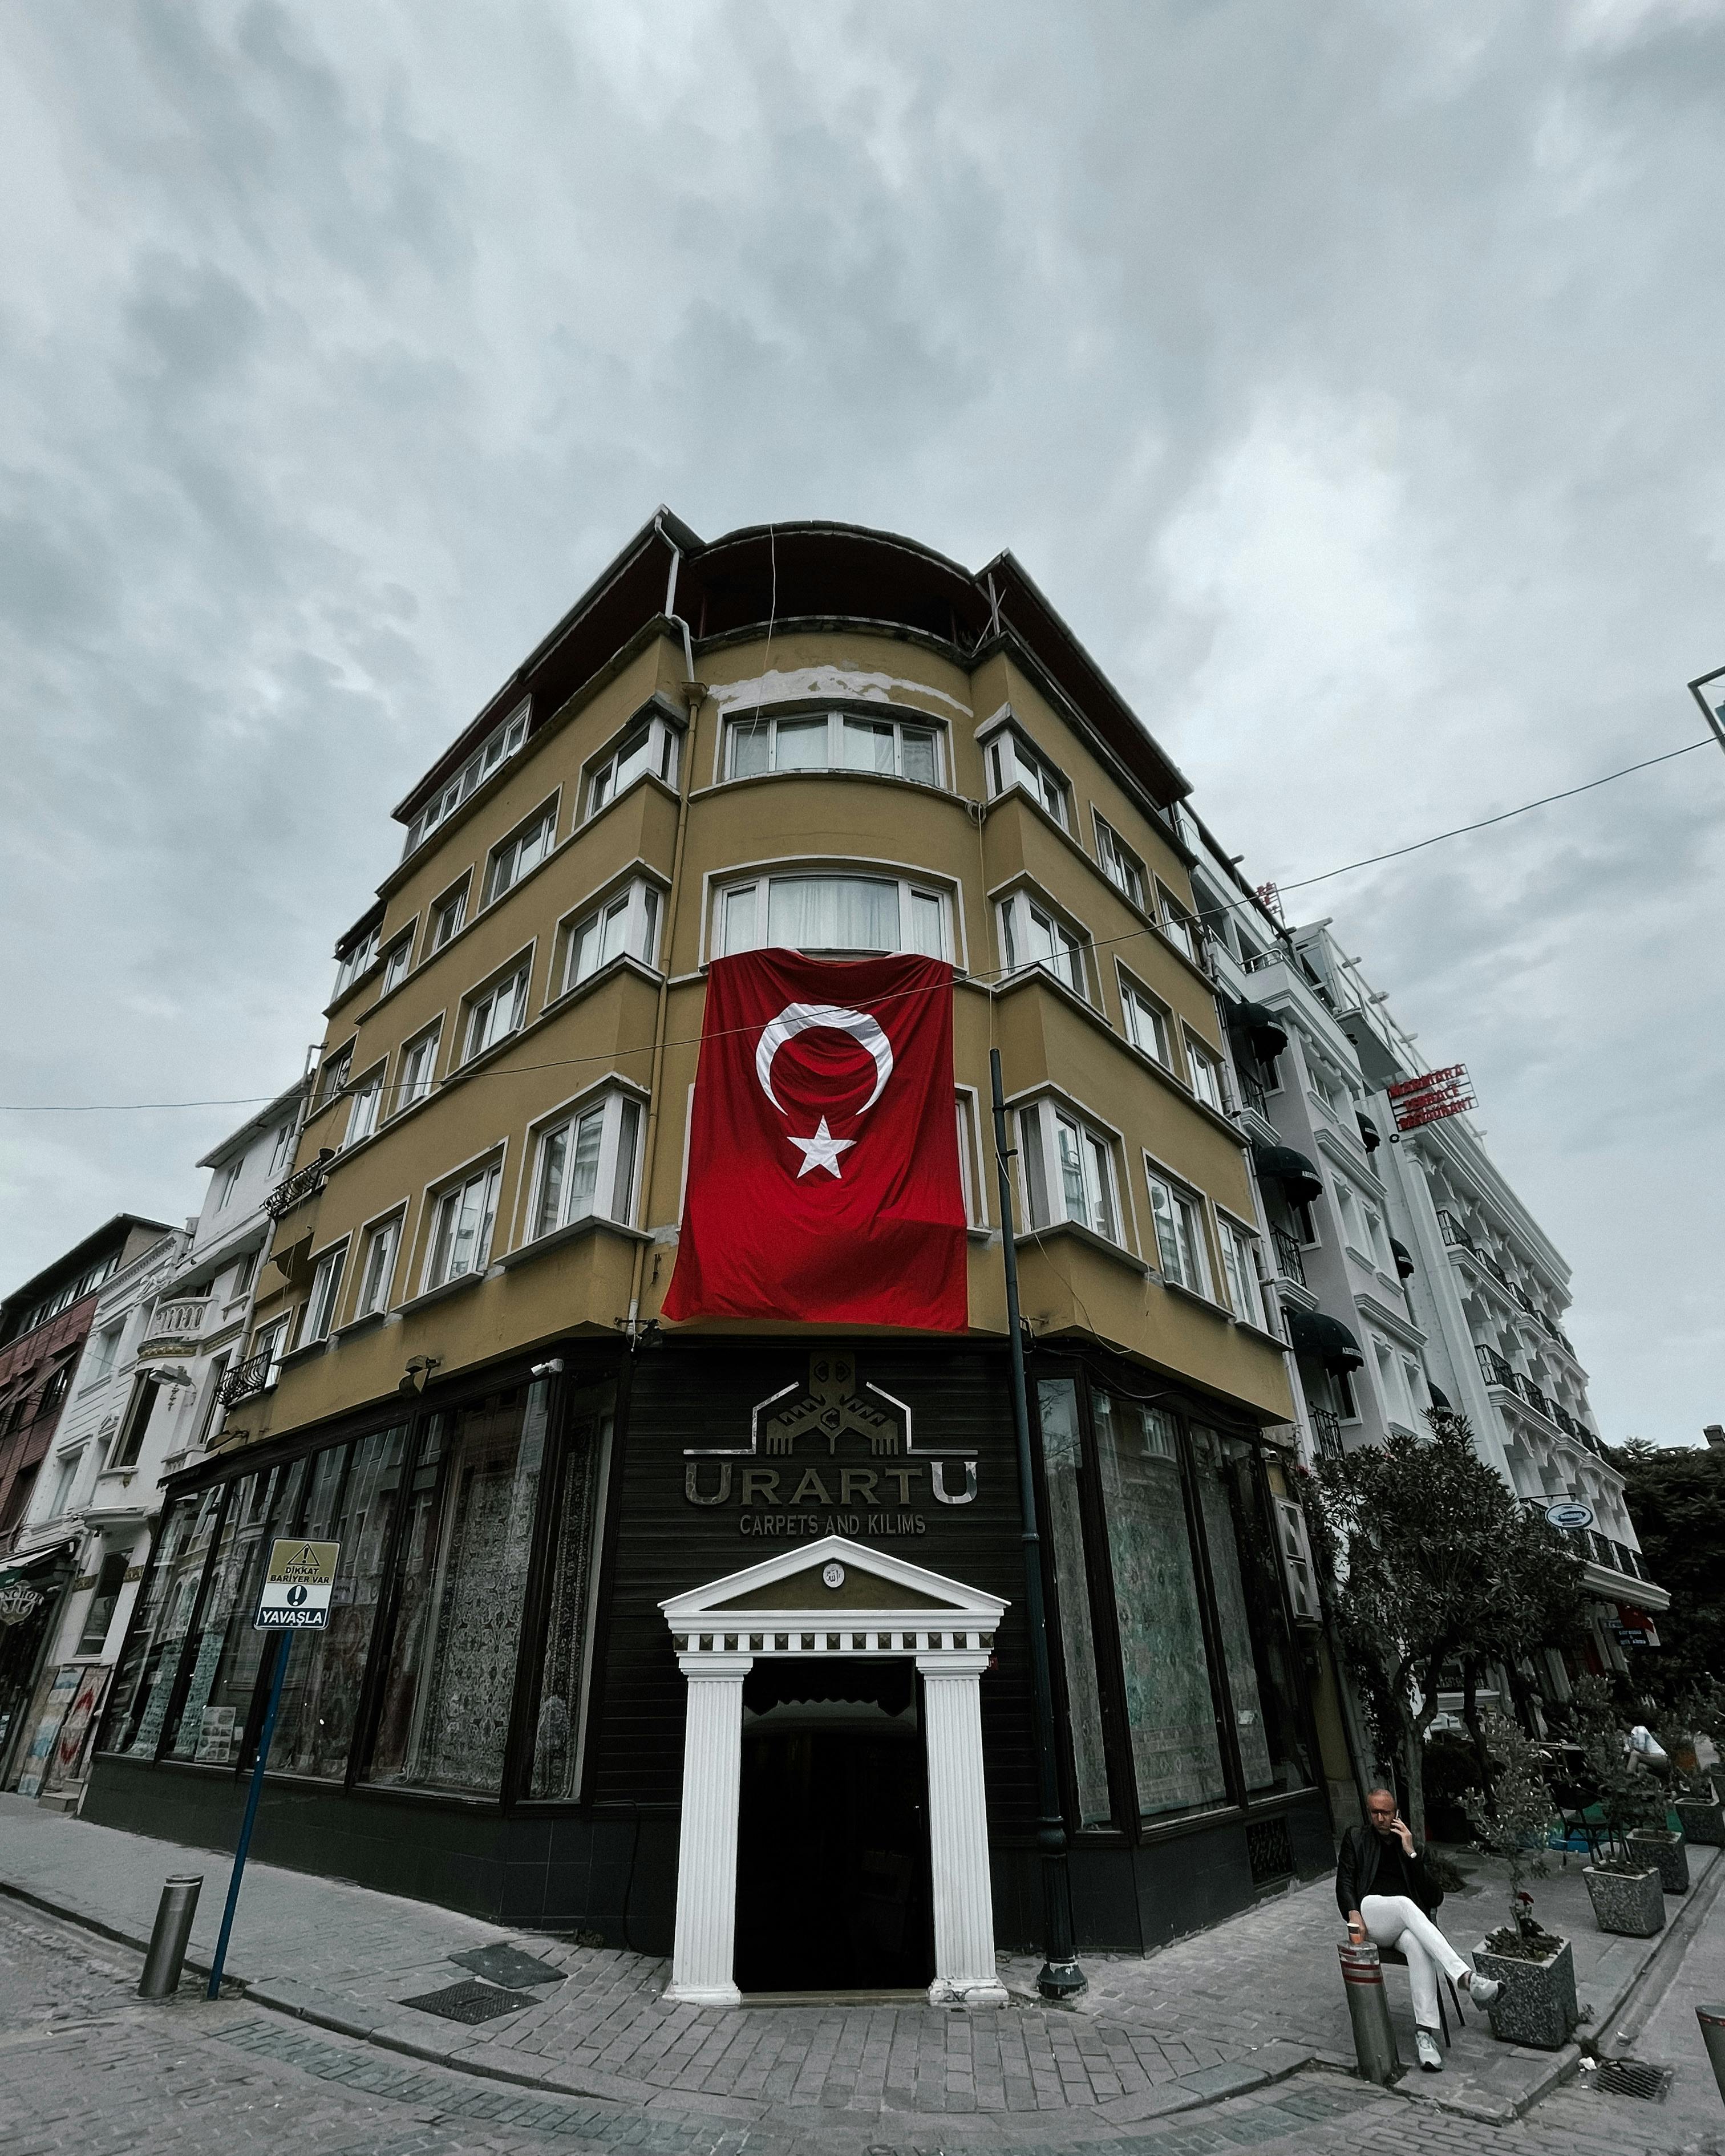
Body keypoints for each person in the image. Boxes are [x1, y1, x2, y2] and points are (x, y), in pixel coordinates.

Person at [1338, 1786, 1500, 2073]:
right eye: (1374, 1812)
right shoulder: (1356, 1838)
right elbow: (1346, 1882)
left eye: (1385, 1813)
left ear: (1396, 1814)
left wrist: (1411, 1854)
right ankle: (1465, 1978)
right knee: (1402, 1903)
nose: (1380, 1818)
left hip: (1403, 1927)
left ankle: (1425, 2036)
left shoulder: (1411, 1846)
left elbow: (1434, 1897)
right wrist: (1353, 1912)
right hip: (1371, 1916)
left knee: (1417, 1944)